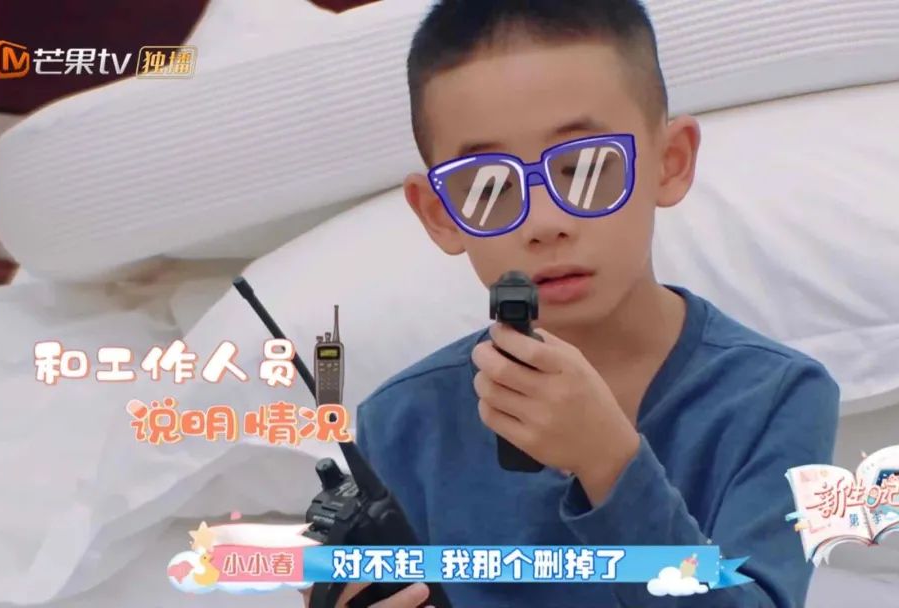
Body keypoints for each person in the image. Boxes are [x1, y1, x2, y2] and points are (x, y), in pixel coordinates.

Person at [332, 1, 840, 606]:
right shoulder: (402, 423)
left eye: (588, 167)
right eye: (490, 186)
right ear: (440, 214)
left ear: (670, 162)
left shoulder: (777, 398)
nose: (545, 222)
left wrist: (609, 464)